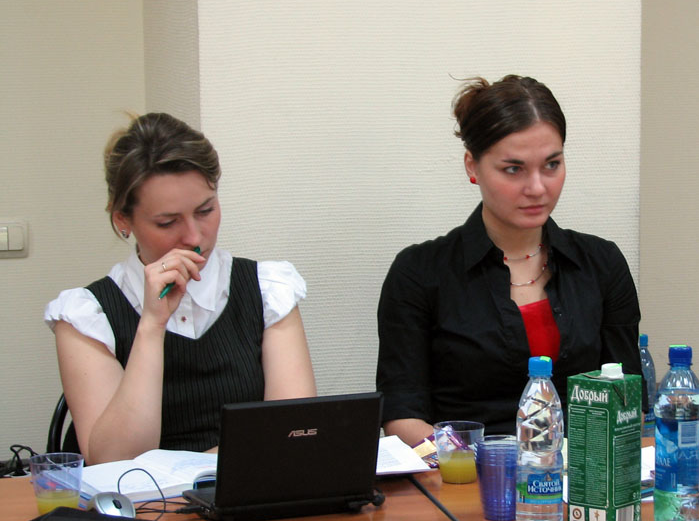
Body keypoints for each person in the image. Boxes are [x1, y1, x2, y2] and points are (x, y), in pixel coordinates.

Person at [376, 75, 642, 447]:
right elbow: (402, 418)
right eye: (514, 169)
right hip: (464, 471)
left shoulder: (601, 264)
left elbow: (627, 399)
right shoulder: (419, 273)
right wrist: (488, 464)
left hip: (584, 469)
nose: (537, 187)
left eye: (551, 165)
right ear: (472, 166)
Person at [44, 113, 316, 463]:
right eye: (167, 222)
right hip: (140, 495)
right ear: (123, 220)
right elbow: (115, 462)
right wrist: (151, 325)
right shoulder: (86, 313)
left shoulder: (267, 289)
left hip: (247, 488)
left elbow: (293, 434)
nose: (194, 237)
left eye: (206, 210)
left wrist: (194, 466)